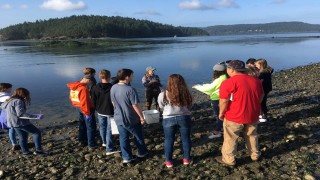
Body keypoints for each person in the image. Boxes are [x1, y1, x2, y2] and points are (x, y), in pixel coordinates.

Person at [216, 60, 264, 166]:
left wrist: (221, 113)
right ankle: (255, 155)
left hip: (234, 116)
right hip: (252, 114)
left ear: (231, 70)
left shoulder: (228, 82)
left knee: (230, 138)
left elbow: (223, 101)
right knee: (252, 135)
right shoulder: (256, 81)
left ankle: (229, 160)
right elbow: (261, 96)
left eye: (227, 68)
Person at [110, 69, 148, 164]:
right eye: (132, 75)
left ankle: (126, 158)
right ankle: (142, 153)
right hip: (131, 118)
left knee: (123, 138)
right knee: (138, 136)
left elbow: (113, 102)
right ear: (127, 77)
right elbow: (135, 105)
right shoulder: (130, 89)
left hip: (118, 117)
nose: (133, 77)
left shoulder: (113, 87)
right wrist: (141, 117)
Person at [158, 74, 193, 168]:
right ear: (182, 82)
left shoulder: (163, 94)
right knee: (186, 139)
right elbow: (190, 105)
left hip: (168, 119)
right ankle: (186, 159)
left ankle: (169, 161)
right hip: (184, 117)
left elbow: (161, 106)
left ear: (169, 82)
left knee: (169, 140)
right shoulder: (186, 93)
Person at [1, 88, 45, 155]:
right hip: (20, 123)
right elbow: (20, 114)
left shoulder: (9, 100)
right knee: (37, 132)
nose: (27, 96)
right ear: (23, 94)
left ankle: (25, 152)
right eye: (26, 94)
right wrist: (36, 116)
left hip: (12, 123)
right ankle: (39, 150)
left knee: (22, 137)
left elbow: (6, 109)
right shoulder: (18, 101)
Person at [192, 63, 227, 139]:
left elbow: (209, 88)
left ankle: (217, 131)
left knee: (219, 116)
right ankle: (222, 129)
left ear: (217, 71)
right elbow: (212, 86)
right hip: (220, 98)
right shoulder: (224, 77)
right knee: (221, 115)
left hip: (217, 99)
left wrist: (197, 87)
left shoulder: (221, 79)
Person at [91, 70, 120, 155]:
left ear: (99, 77)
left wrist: (96, 108)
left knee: (102, 127)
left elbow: (93, 100)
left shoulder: (95, 87)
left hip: (100, 111)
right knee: (109, 129)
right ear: (109, 77)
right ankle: (109, 148)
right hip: (110, 111)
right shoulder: (113, 87)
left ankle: (104, 142)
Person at [67, 75, 96, 149]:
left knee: (82, 125)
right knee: (90, 127)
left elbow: (71, 97)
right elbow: (84, 103)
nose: (89, 85)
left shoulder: (73, 87)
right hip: (86, 109)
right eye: (90, 83)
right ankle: (91, 144)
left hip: (78, 107)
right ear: (88, 80)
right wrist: (87, 113)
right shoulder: (83, 89)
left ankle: (82, 139)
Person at [0, 83, 19, 150]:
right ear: (5, 89)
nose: (11, 89)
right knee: (12, 130)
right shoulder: (8, 97)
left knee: (9, 130)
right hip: (8, 116)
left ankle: (14, 143)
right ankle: (15, 144)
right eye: (10, 88)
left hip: (1, 116)